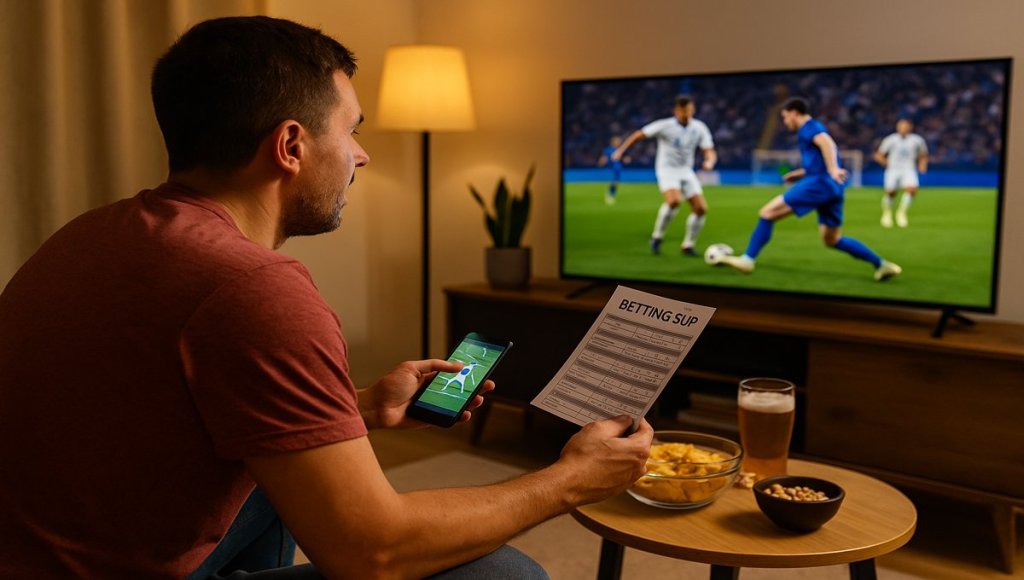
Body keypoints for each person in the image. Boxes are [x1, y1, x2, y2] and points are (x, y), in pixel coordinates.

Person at [0, 16, 653, 579]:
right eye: (352, 132)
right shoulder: (252, 288)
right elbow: (373, 553)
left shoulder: (97, 231)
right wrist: (571, 479)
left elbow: (162, 413)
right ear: (291, 146)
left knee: (284, 481)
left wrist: (360, 405)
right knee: (507, 572)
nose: (360, 157)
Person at [719, 97, 902, 281]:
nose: (785, 122)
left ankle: (747, 259)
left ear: (794, 113)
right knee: (831, 239)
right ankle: (882, 264)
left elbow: (827, 143)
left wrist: (832, 169)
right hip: (833, 187)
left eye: (785, 117)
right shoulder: (812, 128)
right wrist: (801, 173)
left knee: (767, 213)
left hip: (819, 184)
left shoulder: (809, 127)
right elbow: (820, 158)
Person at [612, 95, 717, 256]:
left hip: (686, 171)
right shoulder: (665, 125)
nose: (686, 113)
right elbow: (638, 135)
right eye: (683, 110)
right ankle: (657, 237)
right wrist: (620, 151)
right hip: (667, 170)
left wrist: (709, 161)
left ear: (693, 110)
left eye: (689, 109)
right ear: (676, 110)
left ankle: (688, 245)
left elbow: (709, 150)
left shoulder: (699, 127)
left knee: (701, 209)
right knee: (674, 201)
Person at [874, 118, 929, 228]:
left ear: (910, 127)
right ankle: (887, 213)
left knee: (912, 189)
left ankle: (901, 213)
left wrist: (923, 165)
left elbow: (923, 154)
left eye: (905, 126)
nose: (902, 128)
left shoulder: (917, 140)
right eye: (900, 126)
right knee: (891, 192)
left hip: (909, 169)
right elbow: (879, 155)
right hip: (893, 169)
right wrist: (886, 163)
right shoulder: (890, 139)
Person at [597, 135, 629, 205]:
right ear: (613, 142)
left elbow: (624, 158)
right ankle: (609, 195)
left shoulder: (620, 150)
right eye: (617, 141)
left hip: (618, 169)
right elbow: (604, 158)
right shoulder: (608, 150)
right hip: (611, 169)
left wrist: (626, 159)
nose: (619, 142)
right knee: (613, 182)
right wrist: (601, 162)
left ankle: (612, 195)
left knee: (616, 183)